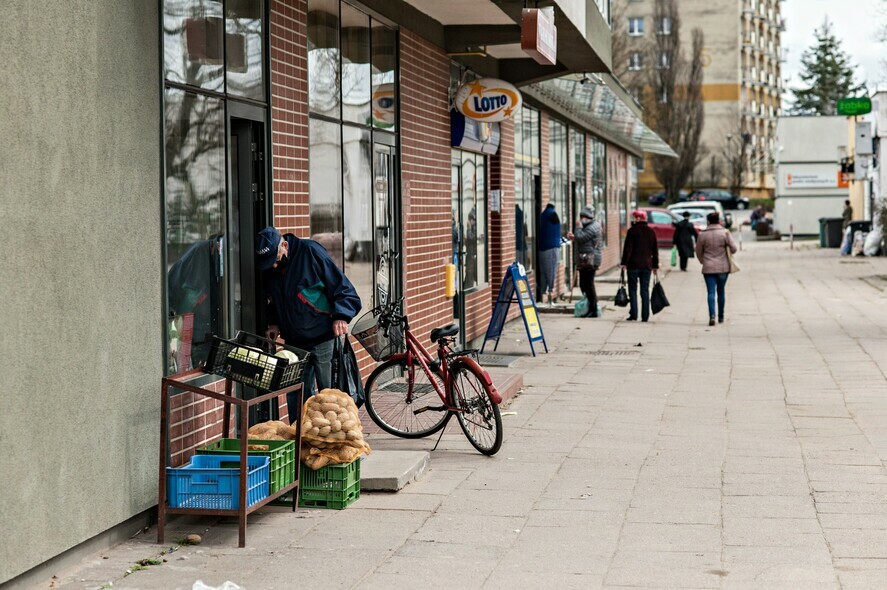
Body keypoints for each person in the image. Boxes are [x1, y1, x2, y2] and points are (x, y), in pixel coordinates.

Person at [256, 226, 362, 423]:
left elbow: (343, 287)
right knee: (296, 392)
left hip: (322, 337)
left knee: (329, 395)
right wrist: (274, 324)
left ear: (284, 246)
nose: (273, 267)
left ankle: (335, 439)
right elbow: (275, 300)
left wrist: (341, 315)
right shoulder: (271, 269)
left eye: (276, 260)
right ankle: (301, 439)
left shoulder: (311, 252)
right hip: (294, 341)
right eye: (269, 264)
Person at [695, 211, 738, 326]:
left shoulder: (702, 235)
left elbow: (698, 251)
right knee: (721, 291)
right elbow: (734, 249)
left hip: (708, 267)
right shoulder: (725, 233)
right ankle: (721, 317)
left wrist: (703, 261)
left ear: (708, 221)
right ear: (719, 221)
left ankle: (712, 315)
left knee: (710, 292)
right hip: (723, 267)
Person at [620, 210, 659, 322]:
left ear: (638, 219)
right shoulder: (651, 232)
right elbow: (655, 251)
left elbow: (628, 249)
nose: (633, 219)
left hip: (633, 265)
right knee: (645, 290)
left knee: (632, 289)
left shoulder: (632, 231)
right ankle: (645, 316)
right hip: (647, 265)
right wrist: (655, 266)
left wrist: (624, 263)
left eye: (634, 217)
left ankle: (634, 314)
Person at [568, 206, 602, 317]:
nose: (581, 219)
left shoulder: (593, 227)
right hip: (585, 260)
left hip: (590, 261)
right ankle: (590, 306)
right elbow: (581, 238)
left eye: (583, 217)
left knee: (588, 284)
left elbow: (581, 237)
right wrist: (575, 237)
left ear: (588, 217)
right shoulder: (589, 226)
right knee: (584, 284)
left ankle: (593, 309)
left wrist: (577, 228)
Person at [538, 202, 561, 306]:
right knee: (551, 271)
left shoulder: (542, 215)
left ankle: (544, 292)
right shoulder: (552, 214)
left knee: (544, 272)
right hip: (551, 247)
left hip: (542, 247)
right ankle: (550, 295)